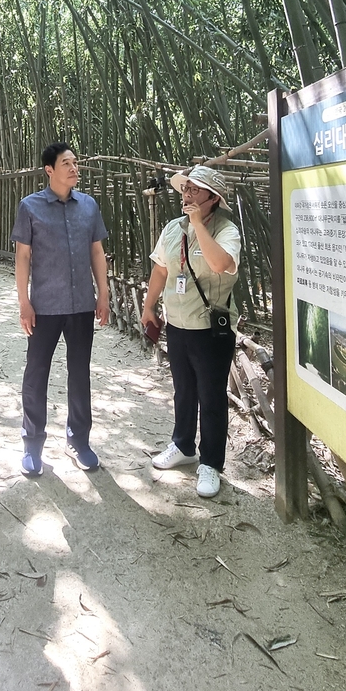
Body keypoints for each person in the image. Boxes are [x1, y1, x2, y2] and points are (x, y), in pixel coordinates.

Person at [141, 165, 241, 499]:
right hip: (178, 325)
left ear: (213, 198)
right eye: (186, 189)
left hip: (210, 330)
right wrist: (149, 305)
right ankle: (183, 445)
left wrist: (199, 224)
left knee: (211, 398)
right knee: (183, 391)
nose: (188, 195)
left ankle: (211, 463)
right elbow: (161, 269)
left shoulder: (227, 230)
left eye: (196, 190)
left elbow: (219, 264)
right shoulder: (173, 229)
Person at [11, 142, 110, 477]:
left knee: (79, 373)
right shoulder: (30, 207)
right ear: (49, 170)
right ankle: (32, 444)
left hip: (81, 303)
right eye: (66, 163)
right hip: (45, 306)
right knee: (36, 373)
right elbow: (22, 257)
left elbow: (97, 252)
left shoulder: (89, 206)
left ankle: (79, 440)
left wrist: (104, 293)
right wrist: (24, 301)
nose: (74, 167)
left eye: (75, 162)